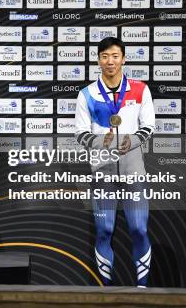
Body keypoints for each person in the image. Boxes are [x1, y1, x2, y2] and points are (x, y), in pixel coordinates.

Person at [74, 37, 155, 287]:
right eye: (105, 56)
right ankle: (106, 293)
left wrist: (132, 140)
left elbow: (149, 126)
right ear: (99, 59)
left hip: (133, 172)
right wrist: (101, 142)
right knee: (104, 231)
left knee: (139, 230)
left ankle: (142, 290)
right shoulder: (87, 94)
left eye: (115, 56)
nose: (110, 61)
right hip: (102, 172)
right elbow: (80, 132)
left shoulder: (140, 89)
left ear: (124, 59)